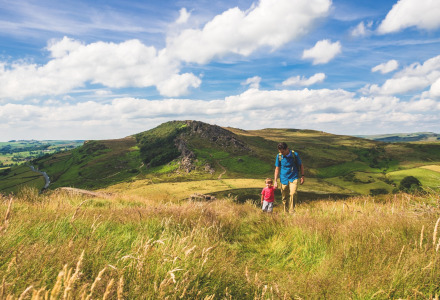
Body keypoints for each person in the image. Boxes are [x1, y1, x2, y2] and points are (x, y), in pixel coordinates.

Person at [274, 142, 304, 214]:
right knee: (284, 197)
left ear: (287, 149)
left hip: (293, 177)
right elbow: (277, 169)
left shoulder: (294, 155)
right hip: (283, 178)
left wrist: (302, 176)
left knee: (293, 193)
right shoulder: (279, 156)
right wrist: (275, 181)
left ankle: (292, 211)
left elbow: (301, 165)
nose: (282, 153)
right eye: (280, 152)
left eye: (283, 151)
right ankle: (285, 212)